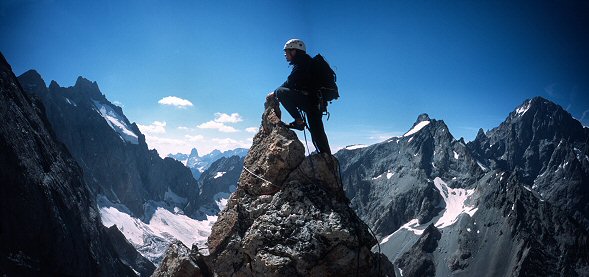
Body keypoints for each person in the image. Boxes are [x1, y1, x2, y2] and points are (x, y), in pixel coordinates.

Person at [267, 39, 332, 155]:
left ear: (294, 51)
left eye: (286, 52)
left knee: (280, 92)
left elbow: (290, 82)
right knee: (317, 132)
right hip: (315, 103)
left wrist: (274, 92)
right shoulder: (307, 62)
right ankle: (326, 157)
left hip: (311, 102)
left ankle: (299, 122)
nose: (285, 55)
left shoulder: (303, 63)